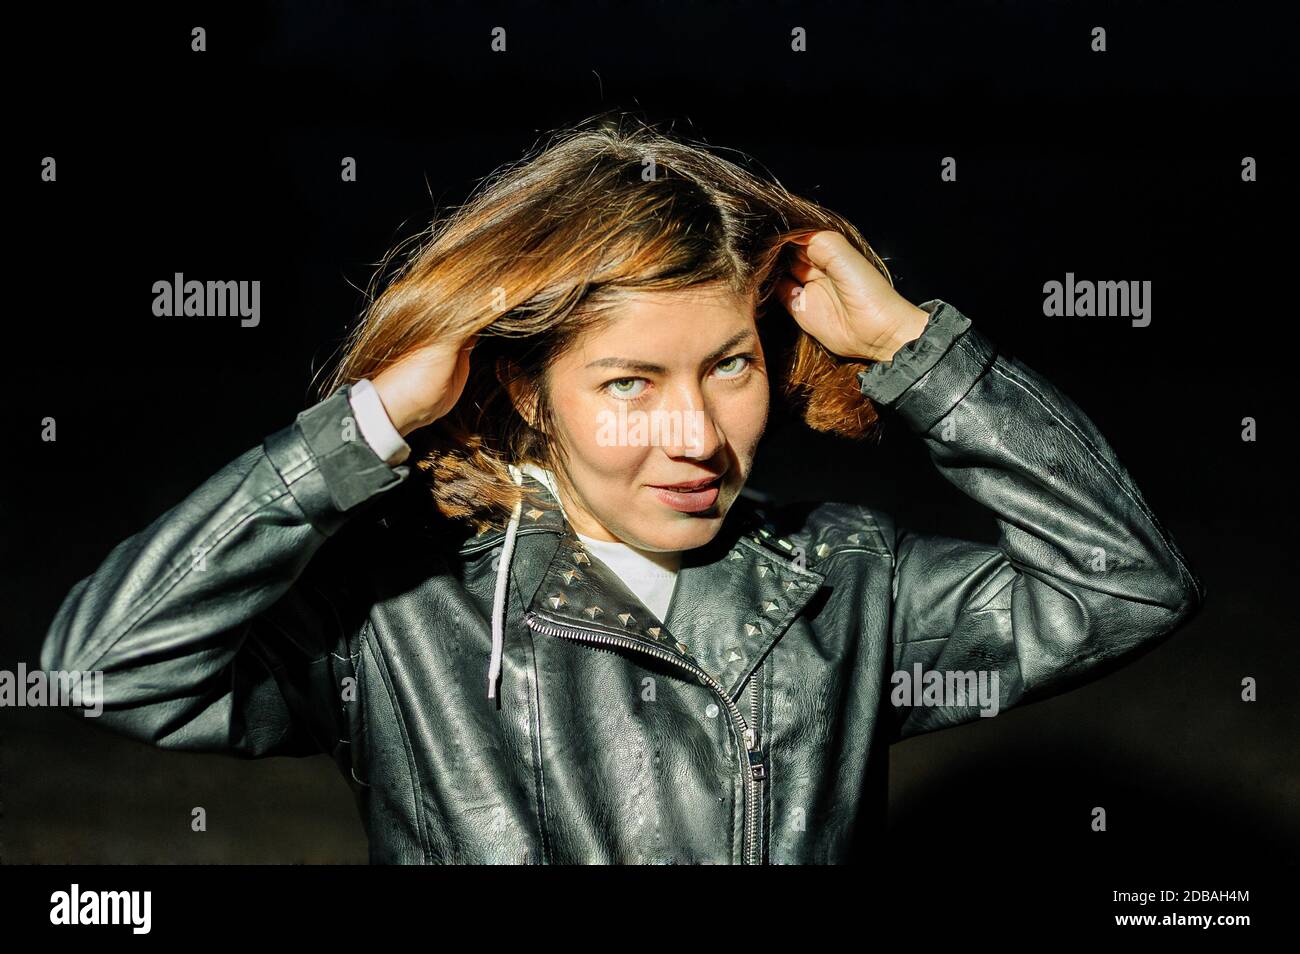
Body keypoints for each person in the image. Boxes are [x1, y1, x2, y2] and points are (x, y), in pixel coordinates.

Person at [41, 117, 1204, 864]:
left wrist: (921, 352)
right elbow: (107, 670)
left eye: (730, 365)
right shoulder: (394, 617)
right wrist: (363, 431)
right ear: (528, 391)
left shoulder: (847, 588)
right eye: (628, 379)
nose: (692, 433)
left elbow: (1128, 589)